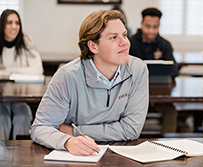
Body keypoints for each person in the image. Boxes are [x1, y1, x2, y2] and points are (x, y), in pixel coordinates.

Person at [30, 10, 149, 155]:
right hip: (75, 157)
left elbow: (130, 129)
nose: (125, 42)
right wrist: (67, 141)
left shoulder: (138, 69)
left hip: (119, 155)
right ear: (93, 47)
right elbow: (41, 128)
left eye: (124, 35)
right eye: (113, 37)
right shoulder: (67, 76)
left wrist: (74, 131)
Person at [129, 8, 178, 133]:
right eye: (148, 26)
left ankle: (169, 144)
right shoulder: (130, 43)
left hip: (160, 92)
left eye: (155, 27)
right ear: (141, 24)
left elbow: (174, 69)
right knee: (131, 113)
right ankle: (136, 141)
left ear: (159, 26)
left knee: (170, 111)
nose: (151, 31)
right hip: (134, 94)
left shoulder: (165, 45)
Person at [0, 9, 43, 140]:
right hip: (2, 97)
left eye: (17, 23)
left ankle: (18, 155)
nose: (14, 26)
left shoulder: (26, 40)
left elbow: (37, 69)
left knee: (23, 114)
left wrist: (7, 71)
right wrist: (20, 71)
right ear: (2, 25)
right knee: (2, 115)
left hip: (20, 96)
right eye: (9, 22)